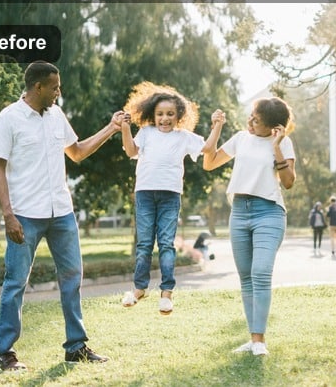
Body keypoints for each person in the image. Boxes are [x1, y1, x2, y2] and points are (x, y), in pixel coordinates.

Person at [0, 61, 116, 370]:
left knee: (72, 278)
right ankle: (4, 353)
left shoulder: (57, 115)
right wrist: (8, 215)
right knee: (15, 282)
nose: (60, 91)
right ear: (38, 87)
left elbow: (77, 152)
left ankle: (76, 347)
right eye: (56, 87)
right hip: (25, 215)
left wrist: (111, 128)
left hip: (61, 212)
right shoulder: (9, 118)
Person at [203, 97, 296, 357]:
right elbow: (208, 163)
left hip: (269, 212)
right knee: (246, 279)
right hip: (240, 212)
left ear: (274, 127)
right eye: (251, 117)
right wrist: (217, 127)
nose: (250, 122)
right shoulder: (241, 138)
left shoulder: (284, 142)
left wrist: (276, 147)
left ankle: (259, 342)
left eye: (257, 120)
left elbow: (288, 182)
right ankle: (254, 339)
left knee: (261, 272)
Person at [118, 82, 222, 315]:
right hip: (145, 193)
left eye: (170, 114)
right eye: (160, 114)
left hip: (170, 196)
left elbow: (207, 148)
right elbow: (131, 151)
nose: (165, 119)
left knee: (166, 244)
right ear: (152, 115)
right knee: (144, 244)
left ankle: (166, 294)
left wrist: (217, 125)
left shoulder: (183, 137)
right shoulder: (146, 132)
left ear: (179, 116)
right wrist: (125, 128)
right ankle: (139, 289)